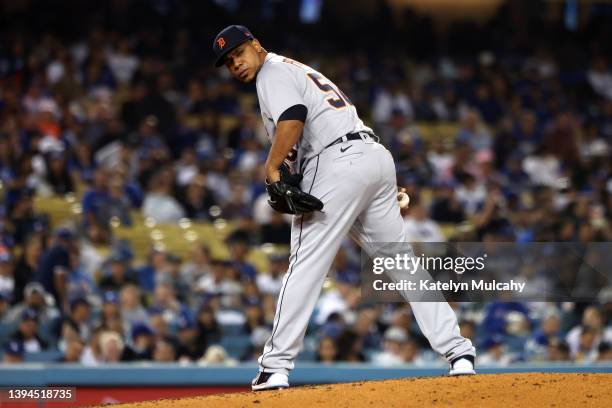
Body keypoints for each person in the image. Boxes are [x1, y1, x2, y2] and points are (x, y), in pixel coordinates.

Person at [212, 25, 476, 391]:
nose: (235, 63)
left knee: (304, 264)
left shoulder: (271, 72)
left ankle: (274, 366)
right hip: (371, 156)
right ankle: (458, 353)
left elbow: (293, 116)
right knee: (401, 264)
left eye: (239, 52)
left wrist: (270, 169)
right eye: (228, 62)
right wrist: (369, 181)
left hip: (336, 161)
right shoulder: (297, 69)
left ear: (256, 46)